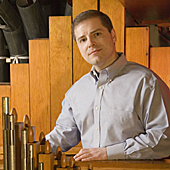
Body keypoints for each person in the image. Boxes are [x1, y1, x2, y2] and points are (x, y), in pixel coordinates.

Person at [46, 10, 170, 161]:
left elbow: (163, 140)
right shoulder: (76, 92)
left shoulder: (145, 81)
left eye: (96, 34)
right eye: (83, 40)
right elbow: (62, 135)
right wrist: (30, 146)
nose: (90, 43)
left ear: (113, 35)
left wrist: (108, 153)